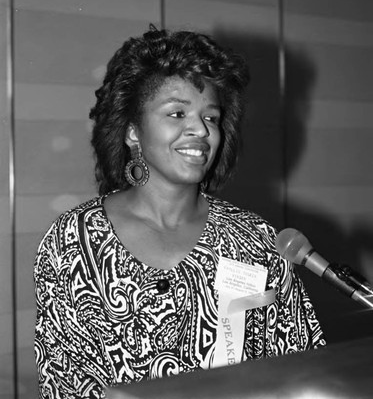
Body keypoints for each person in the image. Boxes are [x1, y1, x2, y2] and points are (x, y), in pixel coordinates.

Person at [34, 26, 326, 399]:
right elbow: (64, 385)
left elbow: (301, 367)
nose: (200, 131)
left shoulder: (257, 240)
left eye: (212, 118)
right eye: (177, 113)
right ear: (132, 132)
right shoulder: (72, 241)